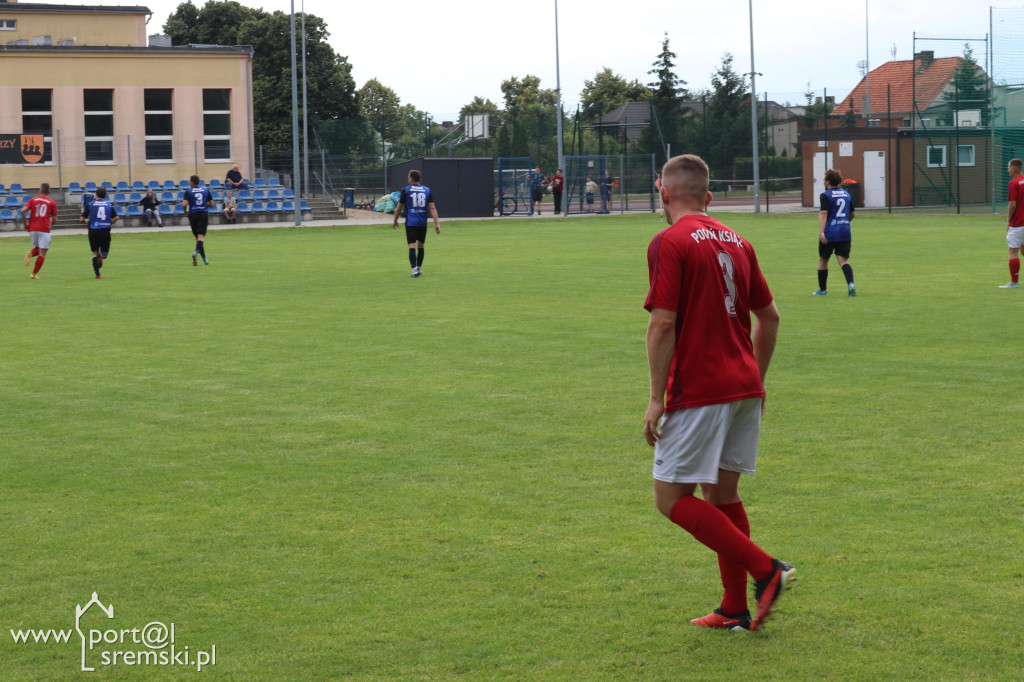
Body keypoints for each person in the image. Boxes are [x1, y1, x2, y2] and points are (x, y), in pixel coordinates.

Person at [643, 154, 793, 632]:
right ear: (708, 198)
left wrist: (654, 399)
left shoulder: (670, 241)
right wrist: (757, 377)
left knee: (671, 499)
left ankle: (766, 569)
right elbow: (768, 317)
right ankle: (734, 607)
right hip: (745, 385)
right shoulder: (739, 240)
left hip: (701, 387)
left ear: (663, 192)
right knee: (722, 492)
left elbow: (663, 322)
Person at [391, 169, 441, 278]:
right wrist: (437, 224)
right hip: (422, 222)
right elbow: (432, 208)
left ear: (411, 178)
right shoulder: (427, 190)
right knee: (421, 245)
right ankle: (418, 268)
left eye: (409, 176)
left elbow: (399, 208)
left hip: (411, 222)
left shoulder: (406, 190)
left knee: (412, 246)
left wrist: (395, 220)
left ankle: (414, 270)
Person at [814, 169, 856, 296]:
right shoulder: (846, 194)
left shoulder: (826, 195)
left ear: (827, 181)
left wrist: (822, 232)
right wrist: (843, 222)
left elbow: (823, 213)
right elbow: (852, 214)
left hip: (830, 233)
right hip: (844, 232)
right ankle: (851, 285)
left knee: (823, 260)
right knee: (843, 261)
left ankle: (823, 290)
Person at [20, 182, 58, 279]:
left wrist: (25, 225)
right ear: (49, 191)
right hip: (44, 229)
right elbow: (54, 220)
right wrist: (51, 223)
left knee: (37, 248)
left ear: (40, 190)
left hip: (32, 229)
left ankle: (31, 254)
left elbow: (23, 211)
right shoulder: (52, 203)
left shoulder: (33, 200)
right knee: (42, 253)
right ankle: (33, 274)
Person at [79, 186, 117, 279]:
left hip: (93, 230)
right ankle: (102, 256)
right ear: (104, 195)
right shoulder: (109, 205)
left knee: (94, 253)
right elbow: (117, 217)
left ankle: (97, 275)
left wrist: (88, 221)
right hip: (105, 230)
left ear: (96, 194)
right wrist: (109, 222)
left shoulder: (90, 204)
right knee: (104, 253)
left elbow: (82, 219)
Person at [1000, 158, 1024, 288]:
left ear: (1013, 169)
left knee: (1013, 250)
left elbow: (1012, 205)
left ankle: (1014, 282)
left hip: (1018, 223)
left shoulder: (1013, 183)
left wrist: (1009, 221)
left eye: (1008, 167)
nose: (1007, 170)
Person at [182, 175, 213, 266]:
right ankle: (195, 253)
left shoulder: (188, 191)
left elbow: (184, 204)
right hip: (203, 214)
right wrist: (204, 204)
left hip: (193, 215)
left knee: (198, 239)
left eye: (189, 181)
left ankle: (204, 259)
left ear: (192, 182)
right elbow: (212, 203)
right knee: (201, 238)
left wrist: (185, 211)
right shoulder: (205, 190)